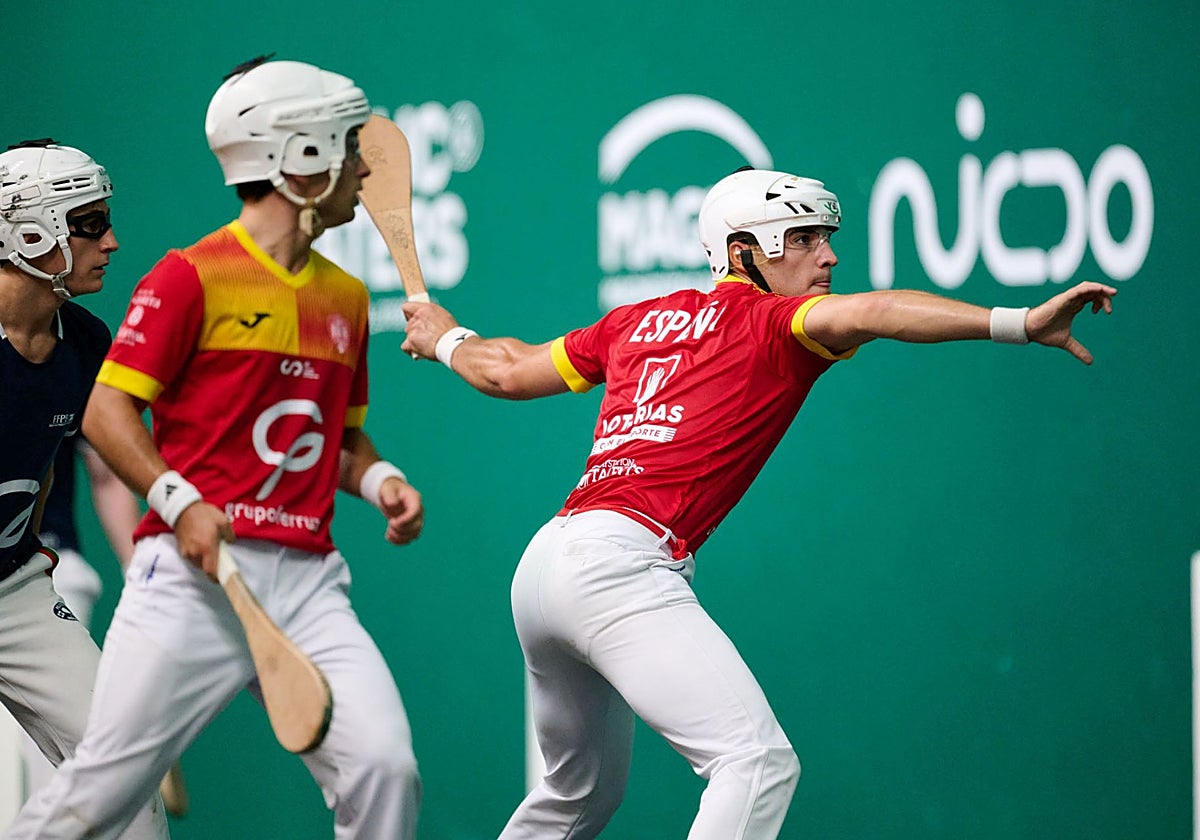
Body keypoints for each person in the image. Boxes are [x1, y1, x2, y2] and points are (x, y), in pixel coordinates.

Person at [399, 167, 1118, 839]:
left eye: (827, 238)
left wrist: (445, 337)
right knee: (757, 764)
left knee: (578, 794)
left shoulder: (632, 323)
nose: (826, 257)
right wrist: (1020, 321)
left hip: (547, 566)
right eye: (803, 239)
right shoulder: (781, 324)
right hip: (618, 565)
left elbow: (507, 371)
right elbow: (884, 310)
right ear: (744, 253)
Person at [9, 57, 424, 840]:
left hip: (305, 581)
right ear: (300, 158)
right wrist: (179, 501)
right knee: (97, 798)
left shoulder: (345, 299)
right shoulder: (189, 278)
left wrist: (383, 482)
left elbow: (334, 440)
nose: (365, 168)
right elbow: (109, 415)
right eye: (347, 146)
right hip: (191, 582)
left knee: (384, 767)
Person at [0, 139, 167, 839]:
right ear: (30, 232)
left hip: (14, 593)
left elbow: (61, 463)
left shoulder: (88, 340)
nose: (113, 241)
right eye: (90, 222)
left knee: (125, 781)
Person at [19, 438, 189, 819]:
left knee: (57, 777)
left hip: (43, 580)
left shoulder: (70, 377)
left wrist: (140, 578)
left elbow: (106, 475)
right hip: (47, 576)